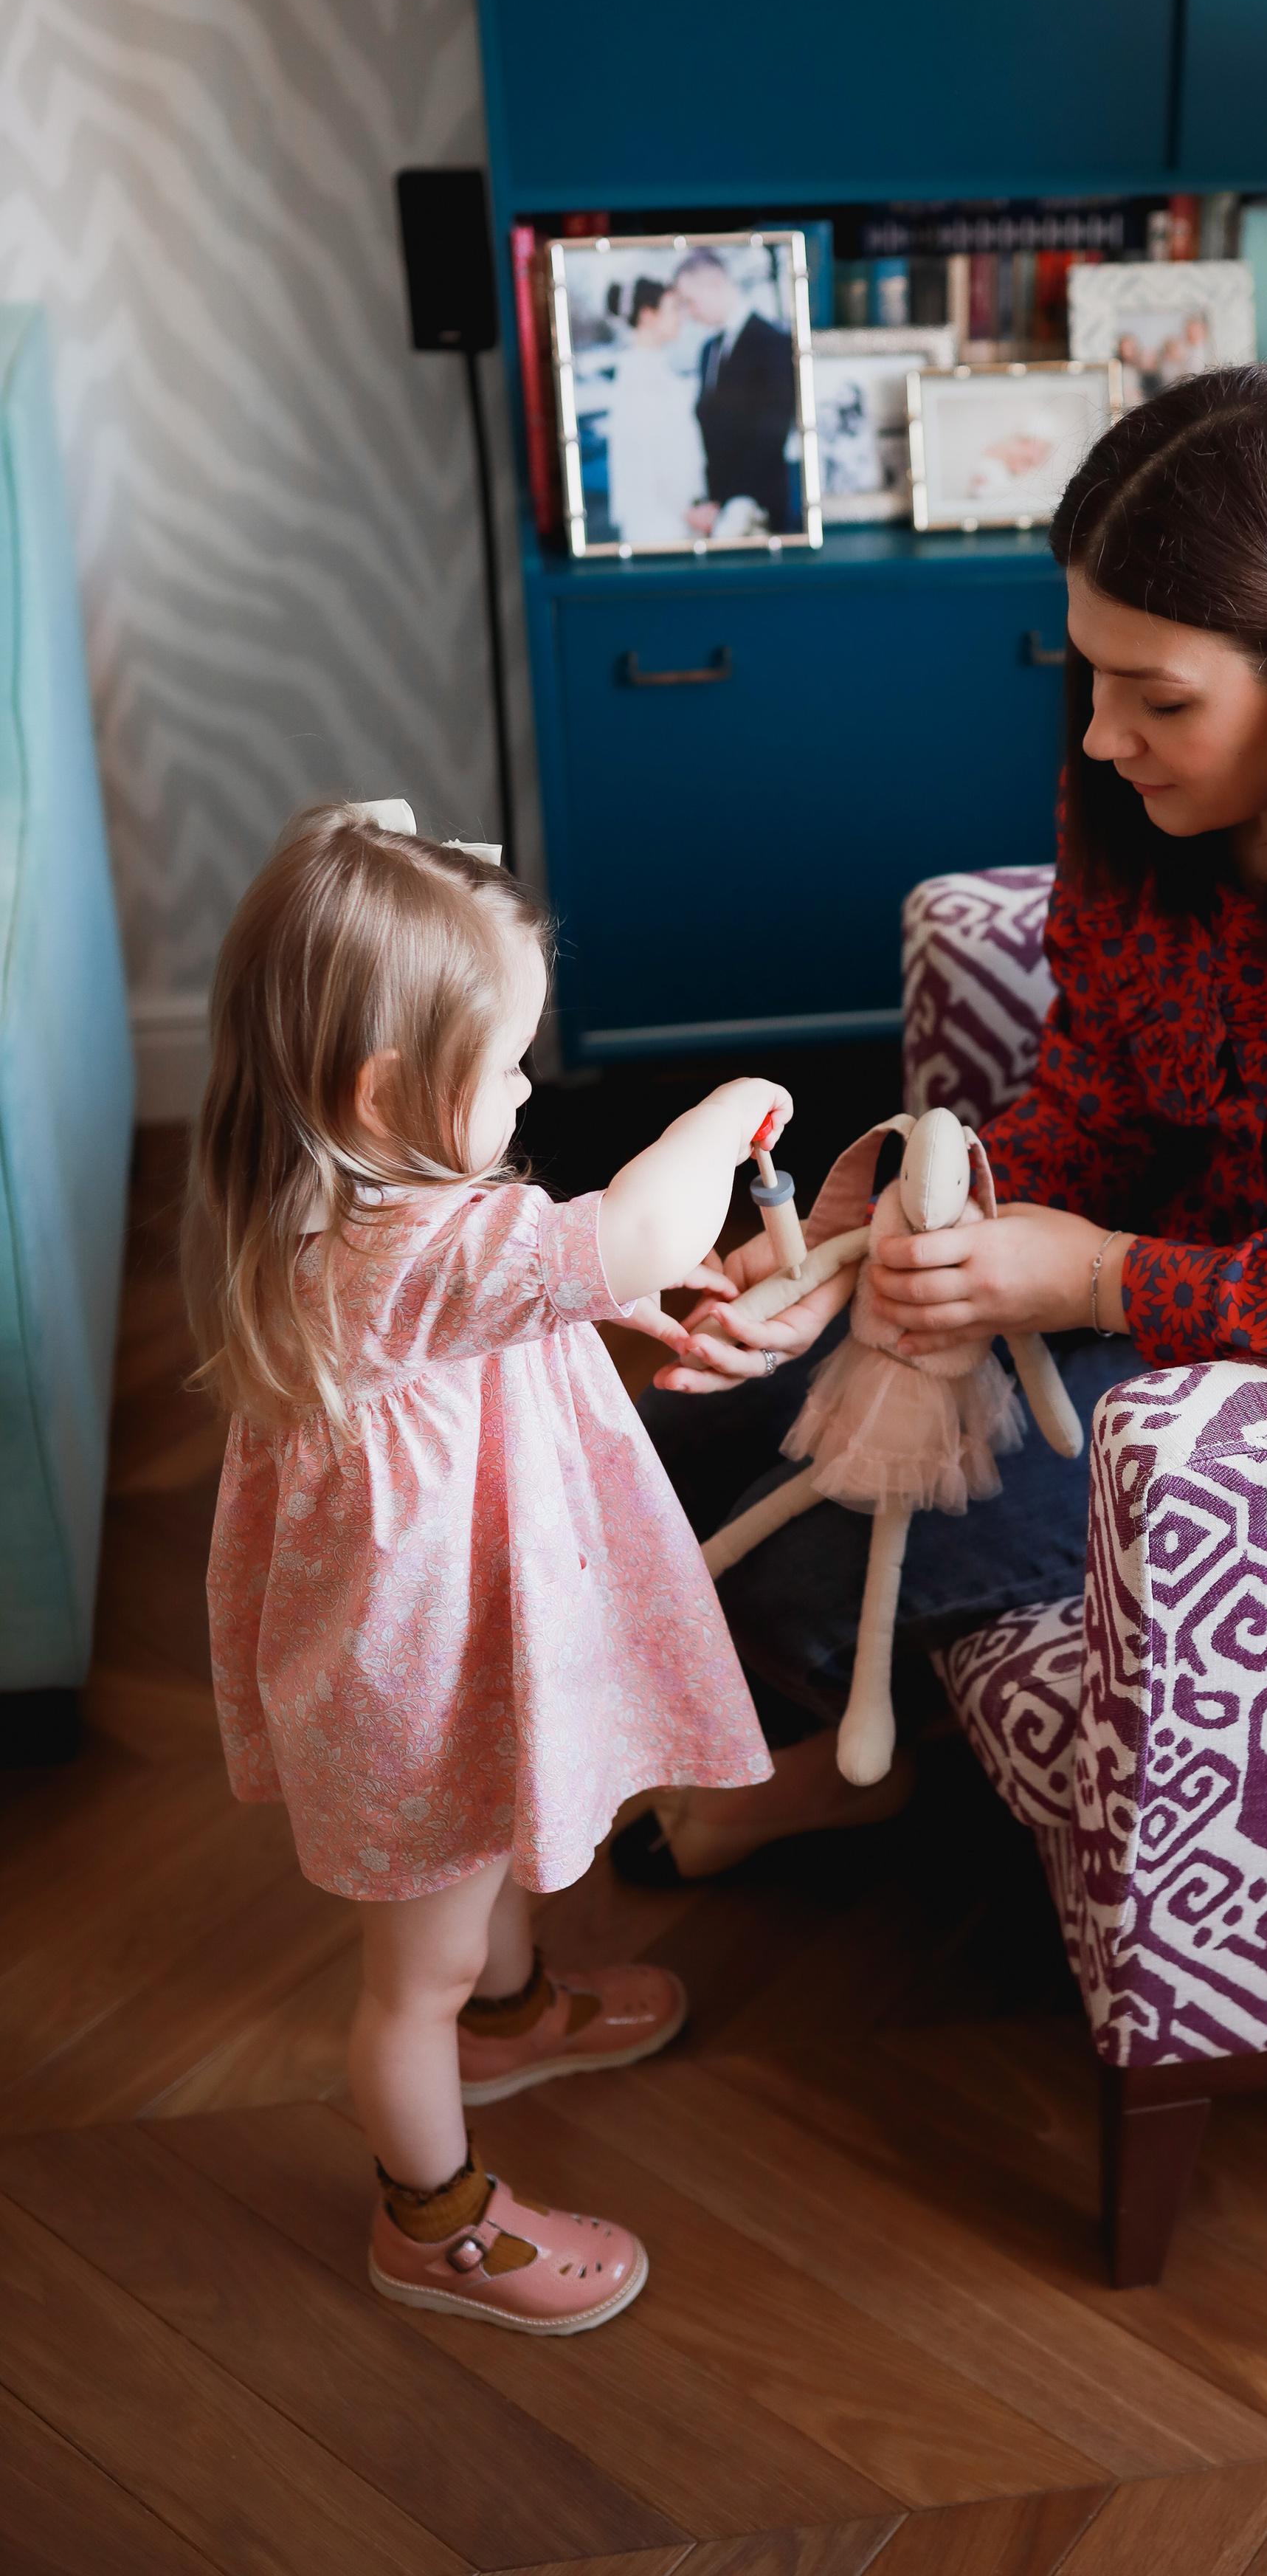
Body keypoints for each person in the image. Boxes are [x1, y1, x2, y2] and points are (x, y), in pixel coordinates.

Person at [622, 366, 1267, 1883]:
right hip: (1150, 1277)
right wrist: (875, 1257)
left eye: (1156, 698)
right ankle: (776, 1701)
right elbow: (1095, 1094)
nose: (1098, 739)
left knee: (812, 1562)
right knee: (681, 1427)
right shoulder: (1136, 804)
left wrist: (1094, 1279)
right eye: (1090, 681)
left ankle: (853, 1771)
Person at [183, 802, 785, 2332]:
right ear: (386, 1088)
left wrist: (588, 1308)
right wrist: (720, 1119)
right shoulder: (418, 1250)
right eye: (509, 1062)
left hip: (442, 1649)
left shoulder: (361, 1210)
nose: (526, 1088)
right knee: (414, 1975)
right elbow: (635, 1222)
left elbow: (495, 1306)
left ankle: (513, 2019)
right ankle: (431, 2216)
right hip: (413, 1672)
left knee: (481, 1849)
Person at [674, 248, 798, 533]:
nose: (690, 313)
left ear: (716, 284)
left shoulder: (774, 342)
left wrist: (726, 504)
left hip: (761, 510)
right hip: (716, 510)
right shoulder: (707, 351)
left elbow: (771, 434)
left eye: (691, 301)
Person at [604, 275, 707, 545]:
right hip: (660, 523)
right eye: (674, 309)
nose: (681, 318)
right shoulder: (640, 375)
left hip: (674, 516)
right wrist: (689, 511)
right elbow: (649, 455)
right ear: (648, 315)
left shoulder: (651, 370)